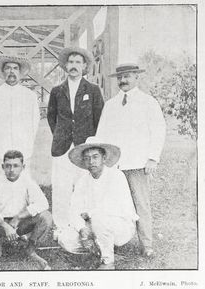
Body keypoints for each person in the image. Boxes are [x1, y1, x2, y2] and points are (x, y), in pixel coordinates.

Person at [96, 63, 166, 257]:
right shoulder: (110, 105)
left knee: (141, 204)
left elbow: (158, 131)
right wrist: (104, 161)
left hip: (137, 163)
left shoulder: (148, 102)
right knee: (113, 203)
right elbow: (102, 134)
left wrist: (153, 158)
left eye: (127, 76)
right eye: (120, 77)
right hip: (114, 166)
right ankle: (113, 241)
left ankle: (147, 245)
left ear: (137, 77)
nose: (123, 80)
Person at [47, 47, 104, 237]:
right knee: (61, 187)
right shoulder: (56, 91)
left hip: (84, 147)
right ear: (65, 65)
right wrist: (62, 135)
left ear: (84, 66)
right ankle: (61, 227)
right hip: (62, 148)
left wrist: (89, 143)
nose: (73, 66)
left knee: (84, 185)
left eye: (78, 62)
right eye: (70, 62)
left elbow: (99, 119)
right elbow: (51, 118)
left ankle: (84, 226)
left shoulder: (93, 90)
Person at [58, 136, 139, 270]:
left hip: (120, 227)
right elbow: (74, 209)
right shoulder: (82, 181)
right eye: (87, 158)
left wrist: (90, 214)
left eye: (95, 157)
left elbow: (115, 208)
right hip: (91, 226)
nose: (91, 162)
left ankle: (108, 262)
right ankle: (96, 250)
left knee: (100, 220)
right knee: (65, 239)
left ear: (104, 158)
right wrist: (82, 229)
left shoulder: (116, 176)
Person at [0, 150, 53, 270]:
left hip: (21, 222)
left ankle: (30, 249)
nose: (11, 170)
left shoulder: (28, 182)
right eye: (8, 166)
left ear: (23, 167)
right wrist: (5, 226)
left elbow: (43, 203)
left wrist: (19, 217)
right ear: (3, 166)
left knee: (46, 217)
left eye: (16, 166)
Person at [0, 55, 40, 176]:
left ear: (20, 72)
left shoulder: (30, 96)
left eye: (15, 68)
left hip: (22, 146)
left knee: (23, 181)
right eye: (8, 68)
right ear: (3, 72)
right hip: (0, 147)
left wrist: (26, 140)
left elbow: (35, 122)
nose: (11, 71)